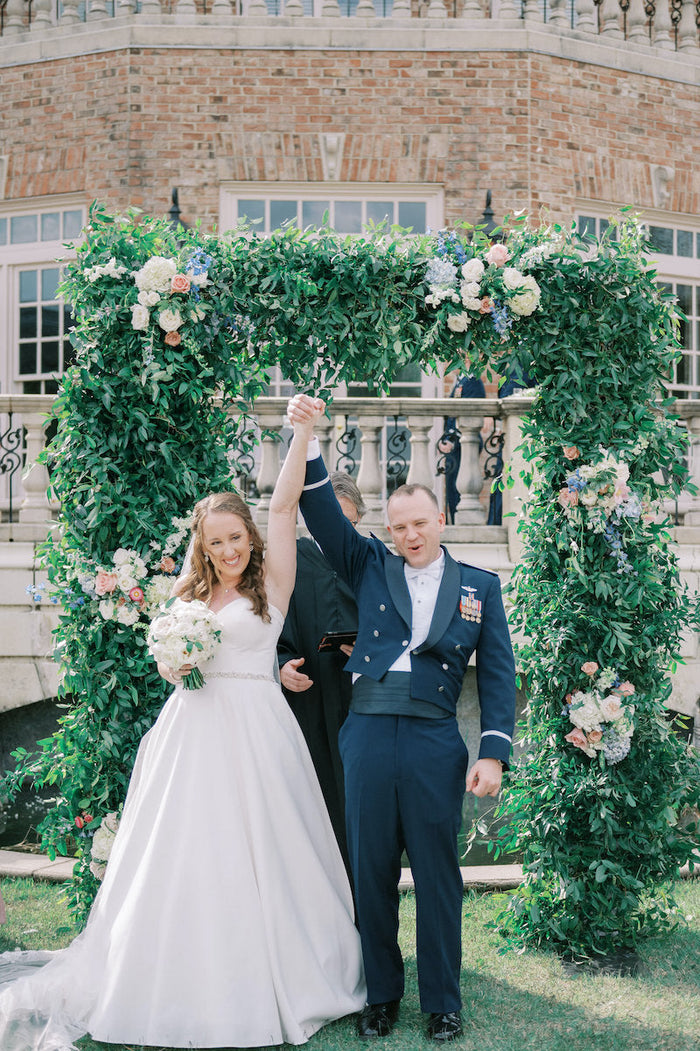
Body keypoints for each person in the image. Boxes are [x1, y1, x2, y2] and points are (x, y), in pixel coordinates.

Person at [0, 399, 365, 1050]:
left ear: (250, 538)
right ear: (204, 544)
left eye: (236, 537)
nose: (228, 549)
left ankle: (278, 973)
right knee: (185, 854)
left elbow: (284, 507)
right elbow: (173, 659)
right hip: (190, 734)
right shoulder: (189, 595)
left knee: (265, 854)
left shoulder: (271, 583)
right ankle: (168, 975)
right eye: (216, 540)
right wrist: (177, 662)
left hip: (257, 731)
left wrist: (301, 434)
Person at [287, 392, 516, 1045]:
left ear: (441, 517)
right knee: (371, 868)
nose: (411, 534)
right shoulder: (369, 565)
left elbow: (497, 673)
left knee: (439, 873)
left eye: (420, 522)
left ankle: (443, 1000)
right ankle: (381, 994)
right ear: (389, 530)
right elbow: (322, 510)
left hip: (433, 737)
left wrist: (493, 751)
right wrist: (308, 437)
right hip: (366, 731)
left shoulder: (480, 586)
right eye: (399, 526)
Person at [277, 471, 365, 870]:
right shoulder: (288, 560)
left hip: (361, 700)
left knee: (358, 801)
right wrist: (280, 667)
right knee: (311, 797)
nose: (335, 531)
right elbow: (266, 629)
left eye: (345, 522)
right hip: (307, 700)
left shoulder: (369, 560)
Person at [438, 373, 486, 524]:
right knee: (452, 489)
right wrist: (446, 439)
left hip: (464, 444)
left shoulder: (474, 382)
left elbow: (472, 414)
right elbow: (451, 416)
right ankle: (454, 523)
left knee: (461, 489)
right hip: (454, 446)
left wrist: (454, 441)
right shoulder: (461, 379)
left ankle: (462, 523)